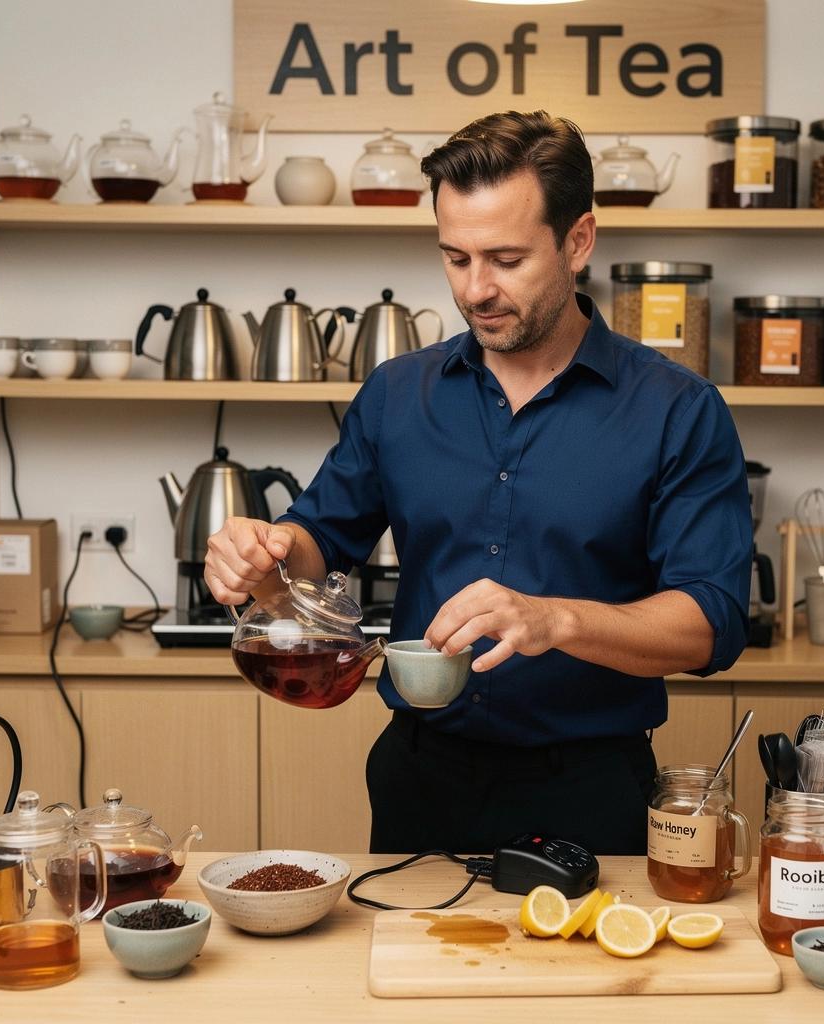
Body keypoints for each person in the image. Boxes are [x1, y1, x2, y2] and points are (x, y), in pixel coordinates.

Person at [205, 110, 752, 856]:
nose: (476, 289)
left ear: (578, 241)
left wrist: (555, 620)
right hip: (420, 777)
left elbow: (713, 621)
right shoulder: (398, 394)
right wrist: (262, 549)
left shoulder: (677, 409)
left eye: (505, 259)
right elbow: (317, 543)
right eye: (455, 258)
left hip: (591, 789)